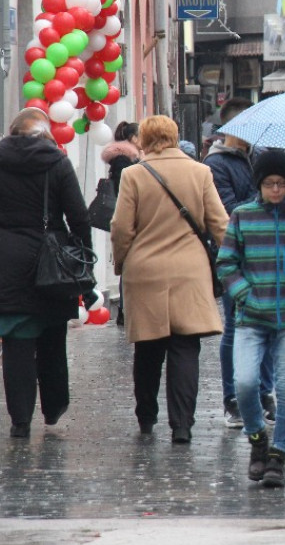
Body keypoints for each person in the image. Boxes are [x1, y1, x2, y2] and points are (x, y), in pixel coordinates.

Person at [0, 108, 92, 438]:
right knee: (52, 334)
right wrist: (82, 258)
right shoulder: (57, 162)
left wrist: (7, 231)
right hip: (52, 259)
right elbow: (78, 216)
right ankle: (53, 407)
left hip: (8, 259)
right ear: (45, 132)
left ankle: (20, 420)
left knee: (16, 339)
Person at [111, 115, 229, 443]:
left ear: (145, 140)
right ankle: (182, 424)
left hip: (145, 270)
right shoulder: (200, 172)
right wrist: (233, 262)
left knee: (147, 348)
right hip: (189, 271)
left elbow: (121, 228)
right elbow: (220, 224)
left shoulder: (134, 175)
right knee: (185, 347)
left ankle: (146, 416)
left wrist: (121, 263)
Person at [216, 150, 285, 488]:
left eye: (282, 183)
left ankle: (278, 455)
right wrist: (244, 294)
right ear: (259, 184)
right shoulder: (242, 215)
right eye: (270, 183)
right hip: (251, 316)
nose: (276, 190)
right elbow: (226, 262)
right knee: (244, 382)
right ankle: (258, 439)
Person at [204, 97, 274, 428]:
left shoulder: (260, 156)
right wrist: (264, 195)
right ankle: (232, 399)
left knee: (268, 324)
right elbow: (228, 211)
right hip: (237, 255)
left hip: (268, 253)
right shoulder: (216, 164)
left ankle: (264, 393)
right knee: (235, 327)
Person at [101, 121, 142, 326]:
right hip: (126, 217)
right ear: (133, 138)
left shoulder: (129, 157)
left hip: (128, 216)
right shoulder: (123, 160)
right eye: (140, 136)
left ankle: (126, 310)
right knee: (127, 264)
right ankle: (125, 311)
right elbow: (124, 191)